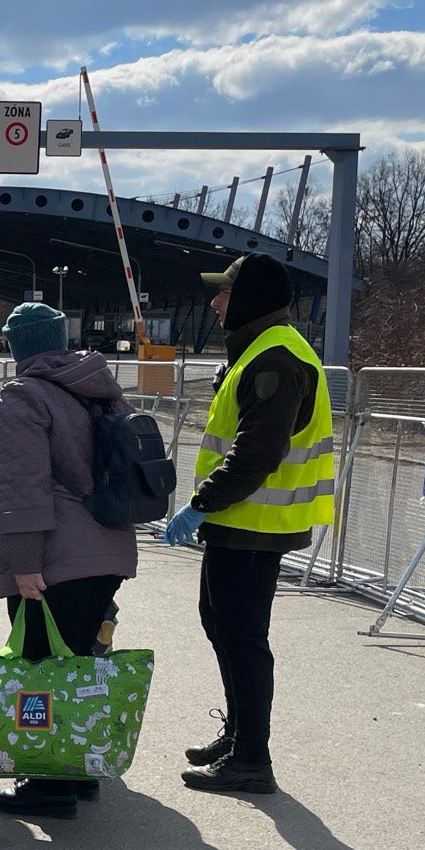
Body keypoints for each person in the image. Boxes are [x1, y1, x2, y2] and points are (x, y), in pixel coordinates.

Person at [163, 253, 335, 797]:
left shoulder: (275, 359)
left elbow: (257, 452)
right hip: (241, 522)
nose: (215, 302)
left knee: (242, 638)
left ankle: (252, 759)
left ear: (251, 297)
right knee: (220, 624)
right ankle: (239, 737)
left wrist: (201, 503)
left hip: (254, 523)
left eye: (224, 292)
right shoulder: (259, 350)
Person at [0, 302, 139, 819]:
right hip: (108, 548)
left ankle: (48, 784)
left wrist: (22, 563)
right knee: (81, 664)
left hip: (56, 556)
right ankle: (80, 770)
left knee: (41, 670)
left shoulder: (24, 395)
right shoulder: (98, 387)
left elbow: (23, 487)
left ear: (16, 345)